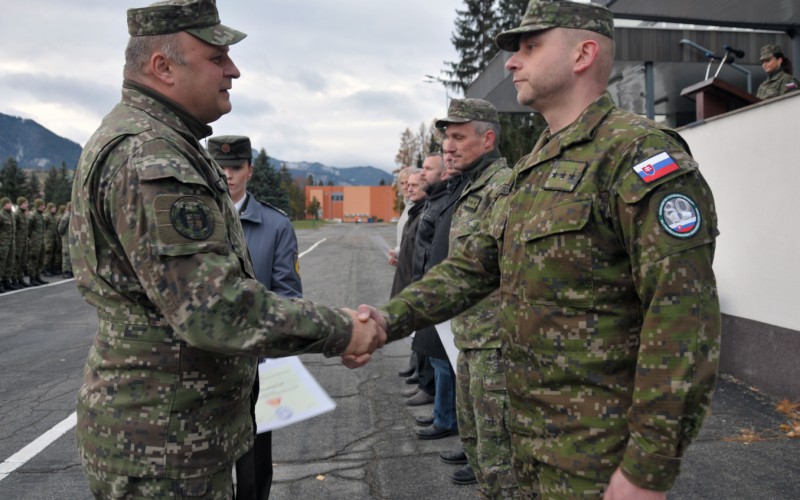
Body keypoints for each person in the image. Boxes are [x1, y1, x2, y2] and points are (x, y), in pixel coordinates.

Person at [360, 1, 720, 498]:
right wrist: (384, 321)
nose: (512, 62)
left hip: (596, 452)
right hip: (526, 437)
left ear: (583, 55)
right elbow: (472, 268)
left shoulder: (637, 154)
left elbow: (684, 318)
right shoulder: (538, 164)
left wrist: (649, 466)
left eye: (530, 47)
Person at [69, 1, 385, 497]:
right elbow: (213, 309)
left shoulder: (168, 144)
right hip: (164, 446)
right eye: (217, 57)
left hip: (177, 432)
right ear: (163, 67)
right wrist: (341, 330)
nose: (233, 69)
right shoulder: (149, 155)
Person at [432, 98, 518, 496]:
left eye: (457, 137)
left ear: (487, 139)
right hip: (470, 342)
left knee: (501, 462)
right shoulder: (472, 188)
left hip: (496, 348)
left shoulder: (504, 189)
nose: (447, 146)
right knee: (479, 452)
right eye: (446, 138)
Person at [208, 134, 302, 500]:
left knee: (253, 463)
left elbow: (288, 295)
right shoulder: (190, 219)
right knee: (203, 464)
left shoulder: (275, 225)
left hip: (255, 364)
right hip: (204, 362)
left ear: (249, 169)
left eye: (234, 167)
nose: (227, 175)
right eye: (220, 167)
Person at [27, 198, 46, 285]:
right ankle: (32, 278)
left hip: (41, 240)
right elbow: (28, 229)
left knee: (40, 259)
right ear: (38, 206)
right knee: (34, 260)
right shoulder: (33, 216)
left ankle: (38, 276)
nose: (44, 207)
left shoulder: (41, 215)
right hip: (35, 242)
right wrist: (31, 238)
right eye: (42, 205)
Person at [13, 197, 30, 288]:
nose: (27, 205)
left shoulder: (24, 214)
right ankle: (14, 279)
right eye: (25, 203)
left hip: (24, 241)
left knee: (23, 261)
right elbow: (14, 229)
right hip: (18, 242)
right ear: (20, 204)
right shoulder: (17, 214)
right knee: (17, 261)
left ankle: (20, 279)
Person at [0, 197, 14, 293]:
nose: (10, 205)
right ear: (3, 205)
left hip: (10, 243)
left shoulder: (11, 215)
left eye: (10, 203)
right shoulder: (1, 215)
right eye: (8, 203)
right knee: (1, 264)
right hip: (3, 243)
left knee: (9, 263)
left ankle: (6, 281)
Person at [58, 202, 73, 278]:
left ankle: (70, 270)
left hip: (71, 238)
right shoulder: (66, 216)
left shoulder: (71, 215)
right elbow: (60, 229)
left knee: (71, 255)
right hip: (66, 238)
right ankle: (65, 271)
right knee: (66, 255)